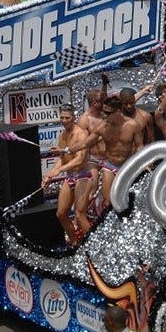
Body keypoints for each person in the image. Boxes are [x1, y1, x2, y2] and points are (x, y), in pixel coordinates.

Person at [43, 104, 94, 248]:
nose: (64, 120)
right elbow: (62, 159)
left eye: (67, 118)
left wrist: (59, 171)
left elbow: (80, 159)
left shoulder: (81, 134)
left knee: (79, 214)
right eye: (62, 117)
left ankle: (93, 245)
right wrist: (50, 175)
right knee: (61, 213)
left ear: (73, 117)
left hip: (83, 176)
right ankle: (75, 243)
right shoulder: (62, 135)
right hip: (70, 177)